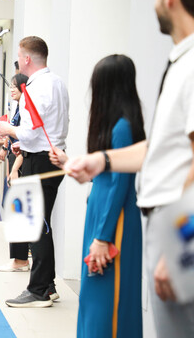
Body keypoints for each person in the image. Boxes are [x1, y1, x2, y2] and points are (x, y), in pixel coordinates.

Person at [65, 0, 194, 336]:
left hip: (178, 229)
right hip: (165, 227)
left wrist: (180, 243)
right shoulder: (181, 62)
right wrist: (102, 161)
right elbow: (164, 149)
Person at [50, 55, 145, 337]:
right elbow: (103, 174)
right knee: (94, 298)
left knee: (107, 302)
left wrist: (103, 238)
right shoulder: (117, 126)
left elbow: (120, 185)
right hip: (102, 218)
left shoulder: (123, 127)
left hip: (112, 223)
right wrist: (68, 162)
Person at [0, 36, 69, 308]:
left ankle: (39, 289)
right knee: (41, 223)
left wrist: (9, 131)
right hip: (49, 157)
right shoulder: (57, 83)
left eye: (19, 56)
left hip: (40, 161)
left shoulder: (36, 88)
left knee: (36, 225)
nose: (18, 61)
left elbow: (28, 130)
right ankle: (47, 285)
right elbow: (49, 127)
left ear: (26, 59)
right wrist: (23, 145)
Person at [0, 73, 30, 272]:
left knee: (18, 212)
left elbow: (27, 141)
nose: (11, 90)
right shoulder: (18, 108)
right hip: (16, 160)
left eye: (15, 87)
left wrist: (16, 168)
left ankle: (21, 259)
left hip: (22, 164)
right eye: (11, 87)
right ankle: (19, 258)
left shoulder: (27, 108)